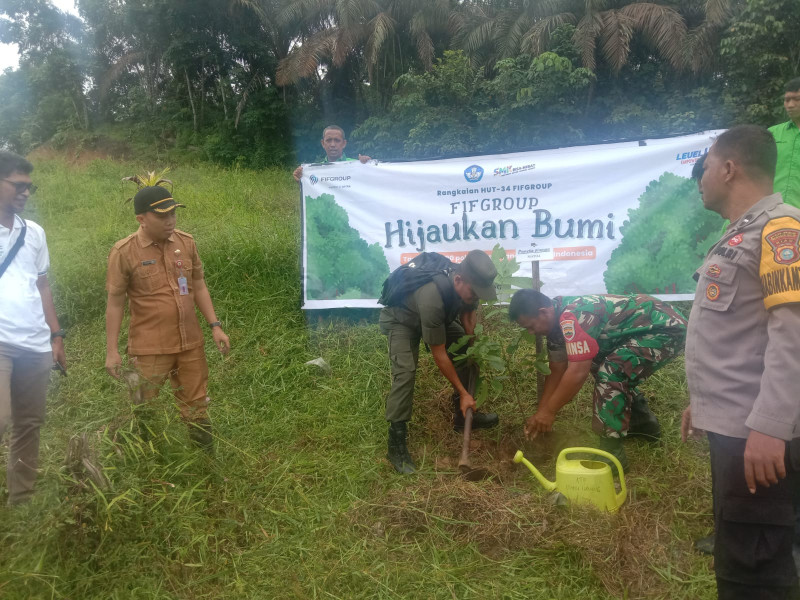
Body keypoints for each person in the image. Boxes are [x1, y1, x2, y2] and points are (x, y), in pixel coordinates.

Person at [682, 124, 800, 598]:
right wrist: (702, 400)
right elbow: (740, 335)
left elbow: (792, 333)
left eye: (708, 167)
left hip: (757, 436)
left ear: (729, 169)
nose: (702, 178)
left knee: (754, 571)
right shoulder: (741, 233)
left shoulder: (779, 230)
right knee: (740, 550)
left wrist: (771, 426)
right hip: (736, 427)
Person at [105, 186, 230, 451]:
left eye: (173, 213)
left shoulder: (186, 242)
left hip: (189, 342)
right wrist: (112, 351)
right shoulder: (124, 252)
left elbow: (198, 285)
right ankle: (148, 459)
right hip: (150, 347)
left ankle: (205, 461)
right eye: (162, 216)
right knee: (143, 404)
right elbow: (115, 303)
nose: (170, 220)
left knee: (197, 405)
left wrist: (215, 326)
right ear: (141, 219)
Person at [509, 289, 687, 470]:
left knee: (611, 371)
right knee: (597, 361)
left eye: (531, 326)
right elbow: (557, 370)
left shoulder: (573, 316)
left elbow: (577, 372)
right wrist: (541, 412)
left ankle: (612, 455)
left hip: (666, 328)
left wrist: (549, 412)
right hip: (637, 332)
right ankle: (641, 422)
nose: (531, 332)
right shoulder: (554, 323)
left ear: (543, 312)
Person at [379, 250, 499, 474]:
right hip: (402, 320)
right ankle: (396, 443)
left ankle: (462, 416)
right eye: (475, 293)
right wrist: (464, 392)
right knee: (405, 373)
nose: (476, 297)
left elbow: (468, 312)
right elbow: (439, 355)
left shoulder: (467, 284)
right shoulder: (432, 297)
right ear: (458, 280)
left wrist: (471, 342)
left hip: (433, 319)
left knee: (464, 349)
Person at [0, 150, 65, 505]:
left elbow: (42, 285)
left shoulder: (34, 232)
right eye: (18, 185)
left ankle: (20, 500)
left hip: (35, 343)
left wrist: (56, 335)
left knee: (29, 423)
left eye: (30, 187)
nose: (26, 192)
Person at [292, 125, 372, 182]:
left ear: (344, 143)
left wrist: (367, 166)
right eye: (328, 140)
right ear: (323, 143)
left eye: (337, 140)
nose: (332, 144)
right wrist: (302, 180)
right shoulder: (315, 171)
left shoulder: (357, 165)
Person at [769, 78, 800, 208]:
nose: (790, 105)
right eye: (787, 100)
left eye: (797, 99)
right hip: (773, 212)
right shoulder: (771, 133)